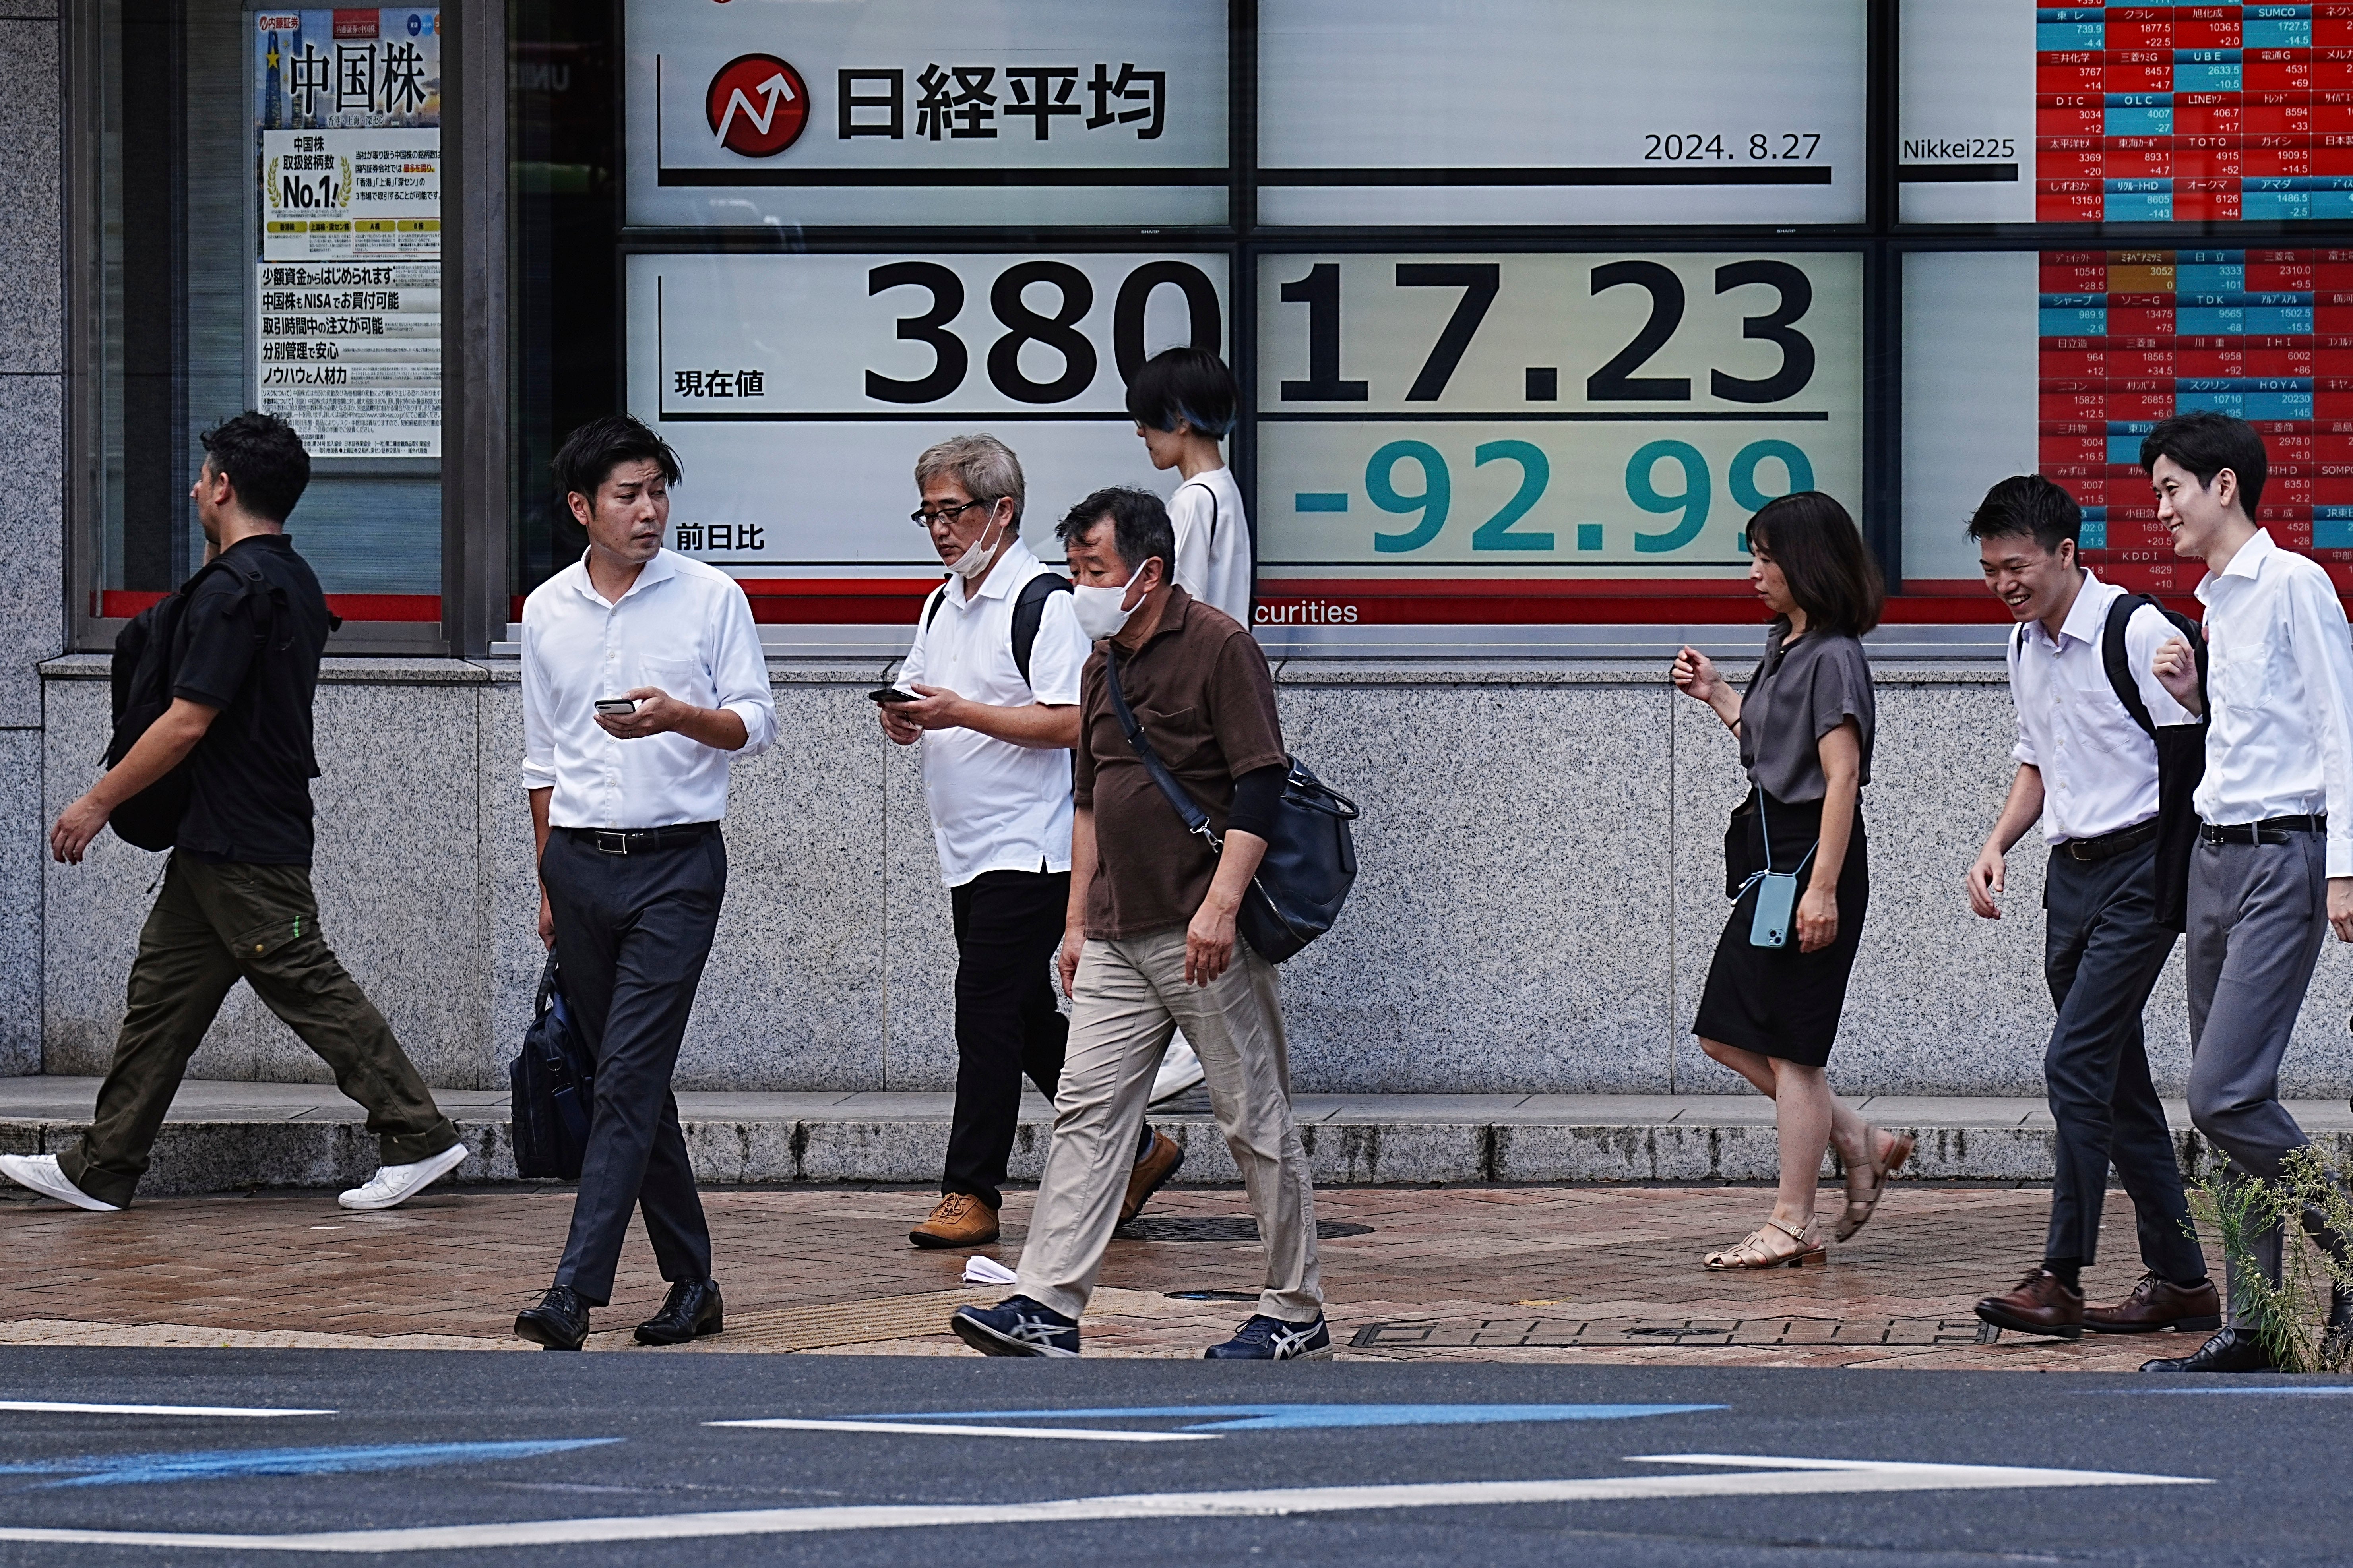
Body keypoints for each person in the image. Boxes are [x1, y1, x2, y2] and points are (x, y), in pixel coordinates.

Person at [0, 412, 468, 1215]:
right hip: (220, 837)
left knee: (306, 981)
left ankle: (417, 1131)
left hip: (244, 837)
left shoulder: (234, 590)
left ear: (223, 486)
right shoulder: (294, 577)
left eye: (202, 475)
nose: (193, 489)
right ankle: (103, 1165)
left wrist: (96, 801)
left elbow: (187, 721)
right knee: (162, 996)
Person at [950, 486, 1328, 1360]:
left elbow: (1260, 782)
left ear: (1148, 573)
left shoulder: (1218, 647)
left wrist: (1222, 906)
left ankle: (1294, 1308)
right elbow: (1087, 799)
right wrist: (1077, 919)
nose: (1079, 586)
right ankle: (1046, 1301)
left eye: (1094, 570)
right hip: (1119, 931)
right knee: (1086, 1109)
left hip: (1203, 930)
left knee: (1251, 1119)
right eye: (1073, 568)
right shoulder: (1100, 662)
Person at [510, 415, 776, 1352]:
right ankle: (693, 1281)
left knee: (625, 1073)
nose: (649, 510)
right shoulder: (545, 609)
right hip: (579, 866)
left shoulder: (709, 597)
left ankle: (573, 1291)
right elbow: (542, 759)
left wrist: (680, 718)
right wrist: (548, 878)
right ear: (583, 507)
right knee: (635, 1078)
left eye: (659, 491)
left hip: (677, 866)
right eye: (628, 494)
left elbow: (754, 721)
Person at [882, 434, 1184, 1251]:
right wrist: (906, 715)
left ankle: (969, 1190)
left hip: (1035, 845)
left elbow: (1068, 722)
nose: (940, 530)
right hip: (968, 846)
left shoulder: (1043, 601)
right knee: (1016, 1013)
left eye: (954, 512)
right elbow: (922, 688)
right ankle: (1136, 1146)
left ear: (1001, 511)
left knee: (981, 1010)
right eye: (929, 514)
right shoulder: (942, 601)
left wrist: (960, 713)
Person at [1961, 475, 2217, 1341]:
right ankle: (2182, 1280)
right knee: (2115, 1084)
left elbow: (2195, 744)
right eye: (1991, 569)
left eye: (2017, 565)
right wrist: (1996, 841)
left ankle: (2058, 1276)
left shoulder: (2133, 628)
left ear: (2065, 551)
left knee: (2072, 1061)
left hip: (2140, 869)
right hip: (2065, 878)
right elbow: (2036, 757)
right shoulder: (2022, 645)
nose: (2004, 583)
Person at [2135, 410, 2353, 1373]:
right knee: (2227, 1109)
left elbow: (2340, 731)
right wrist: (2194, 696)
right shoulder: (2216, 600)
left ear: (2223, 485)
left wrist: (2344, 865)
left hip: (2283, 856)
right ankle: (2254, 1323)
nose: (2161, 509)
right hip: (2215, 857)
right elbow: (2249, 733)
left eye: (2170, 488)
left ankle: (2343, 1234)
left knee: (2220, 1091)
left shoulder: (2295, 584)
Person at [1671, 491, 1911, 1270]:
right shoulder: (1784, 642)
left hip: (1813, 857)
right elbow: (1774, 748)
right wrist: (1716, 694)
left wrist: (1822, 889)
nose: (1754, 572)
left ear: (1805, 561)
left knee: (1793, 1047)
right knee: (1724, 1029)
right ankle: (1855, 1138)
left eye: (1765, 557)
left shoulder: (1835, 654)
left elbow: (1840, 779)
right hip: (1774, 854)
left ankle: (1792, 1218)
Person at [1128, 346, 1252, 1105]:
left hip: (1190, 704)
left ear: (1178, 419)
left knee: (1177, 880)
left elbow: (1182, 609)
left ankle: (1187, 1037)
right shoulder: (1226, 493)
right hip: (1225, 695)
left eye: (1146, 421)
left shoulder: (1189, 503)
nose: (1140, 436)